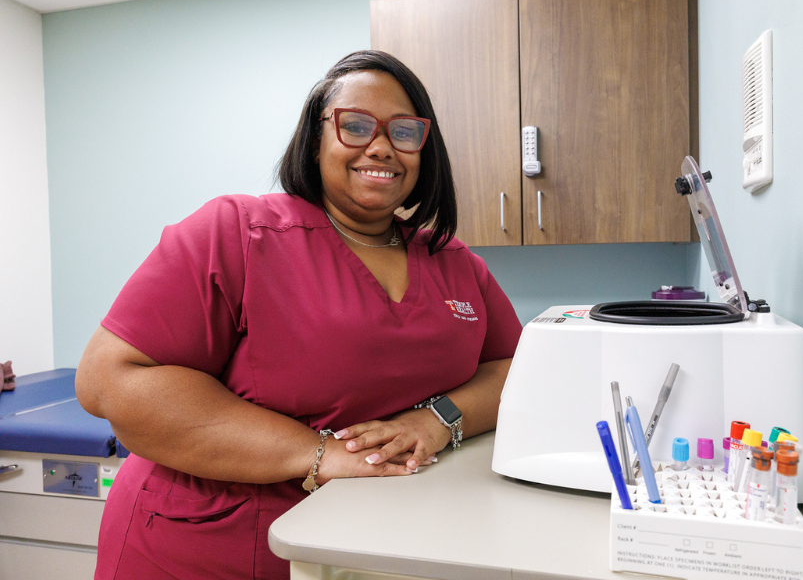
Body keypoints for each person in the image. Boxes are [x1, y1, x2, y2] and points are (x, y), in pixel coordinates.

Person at [74, 50, 523, 580]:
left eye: (404, 132)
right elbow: (110, 380)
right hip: (208, 545)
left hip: (377, 544)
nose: (381, 146)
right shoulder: (238, 233)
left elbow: (516, 371)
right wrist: (318, 453)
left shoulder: (455, 262)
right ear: (314, 140)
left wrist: (437, 420)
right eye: (355, 125)